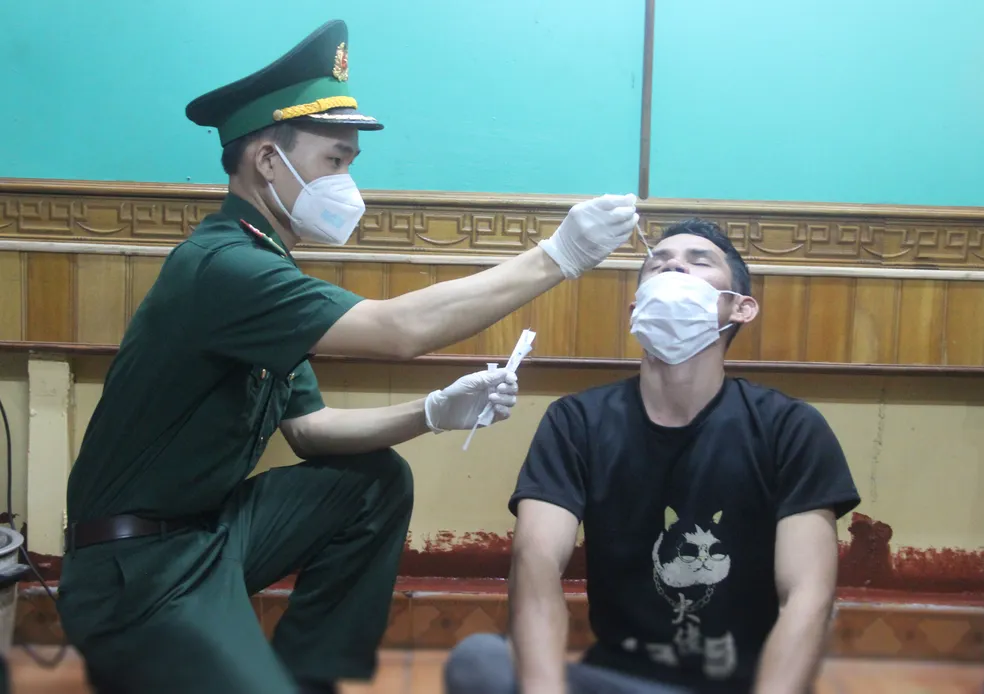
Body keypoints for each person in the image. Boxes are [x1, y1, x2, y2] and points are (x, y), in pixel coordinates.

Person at [55, 19, 639, 694]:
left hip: (210, 536)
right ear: (267, 161)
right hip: (135, 567)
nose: (347, 182)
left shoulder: (262, 268)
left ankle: (311, 674)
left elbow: (310, 430)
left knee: (373, 484)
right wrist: (558, 256)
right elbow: (399, 330)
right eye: (335, 161)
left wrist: (433, 411)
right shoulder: (225, 269)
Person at [445, 218, 862, 694]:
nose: (673, 268)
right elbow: (535, 563)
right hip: (616, 681)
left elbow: (808, 596)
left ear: (741, 307)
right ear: (635, 308)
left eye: (698, 261)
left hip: (740, 686)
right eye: (657, 263)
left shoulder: (790, 428)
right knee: (480, 662)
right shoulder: (577, 421)